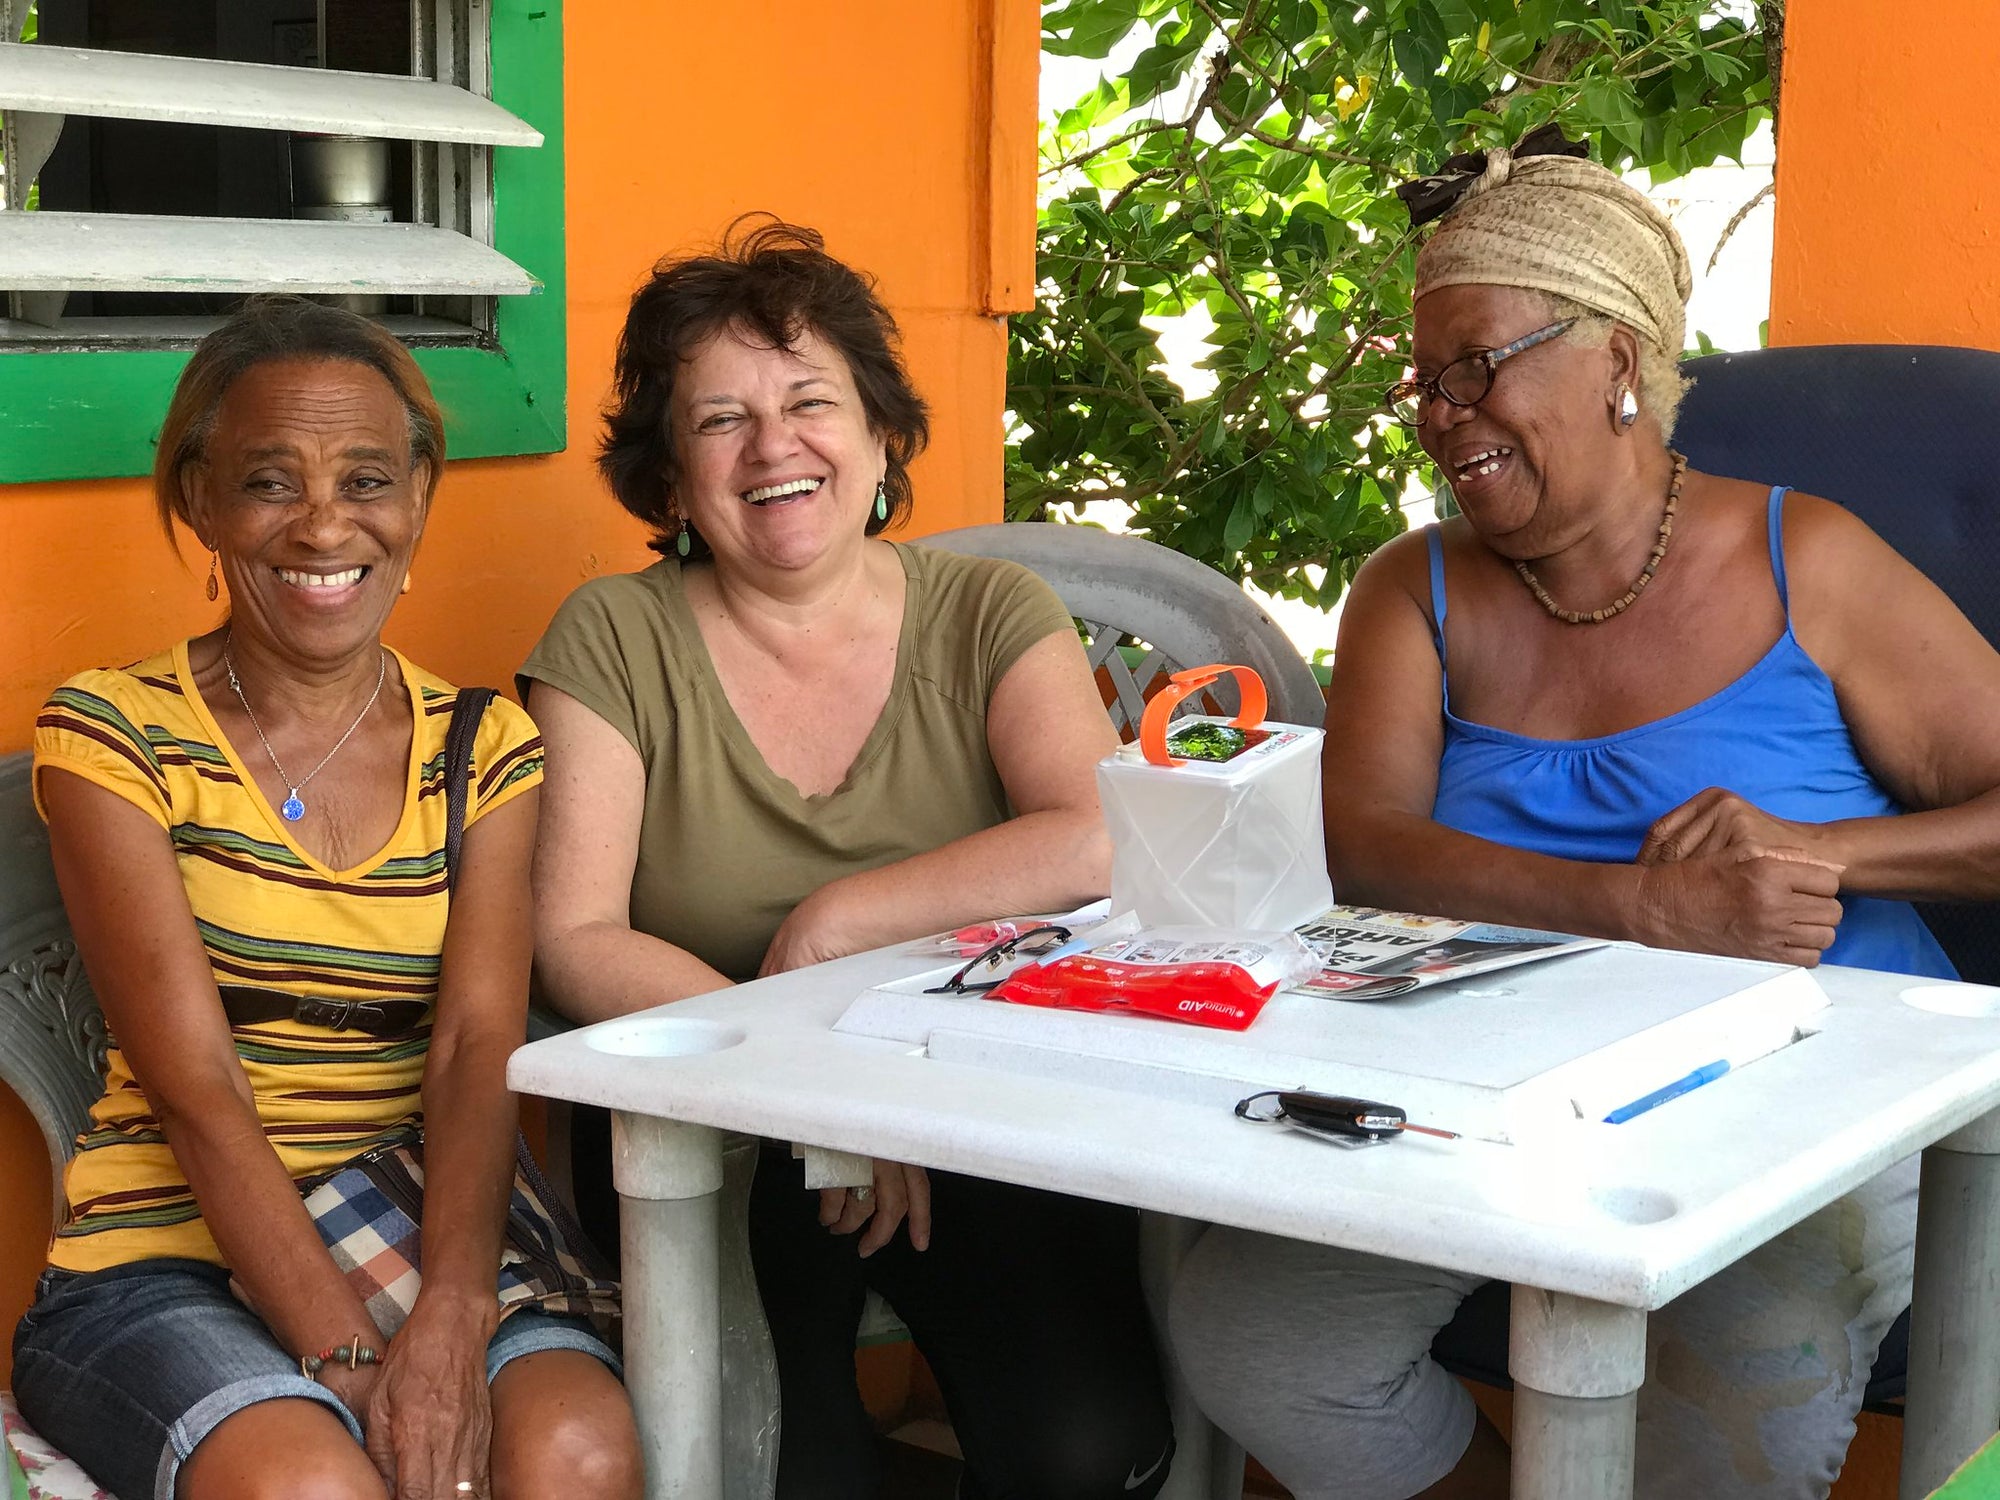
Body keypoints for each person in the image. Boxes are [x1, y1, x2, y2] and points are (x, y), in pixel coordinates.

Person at [1168, 132, 2000, 1500]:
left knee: (1729, 1412)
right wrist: (1643, 909)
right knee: (1260, 1337)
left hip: (1812, 1090)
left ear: (1617, 357)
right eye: (1427, 383)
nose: (1442, 413)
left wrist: (1823, 856)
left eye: (1478, 366)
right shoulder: (1413, 591)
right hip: (1489, 1078)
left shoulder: (1813, 562)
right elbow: (1366, 844)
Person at [520, 218, 1174, 1500]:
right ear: (669, 476)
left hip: (966, 1091)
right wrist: (811, 1088)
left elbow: (1092, 830)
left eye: (810, 401)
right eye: (719, 421)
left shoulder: (987, 612)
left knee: (1080, 1452)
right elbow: (575, 934)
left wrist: (840, 922)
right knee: (785, 1470)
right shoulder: (611, 635)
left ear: (879, 434)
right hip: (708, 1109)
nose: (773, 447)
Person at [12, 298, 641, 1500]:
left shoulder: (481, 749)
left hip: (420, 1214)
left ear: (416, 501)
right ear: (199, 501)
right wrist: (353, 1363)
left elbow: (472, 1050)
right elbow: (197, 1091)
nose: (323, 524)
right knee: (317, 1485)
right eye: (268, 481)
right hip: (166, 1253)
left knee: (575, 1449)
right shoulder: (112, 734)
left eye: (366, 478)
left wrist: (449, 1322)